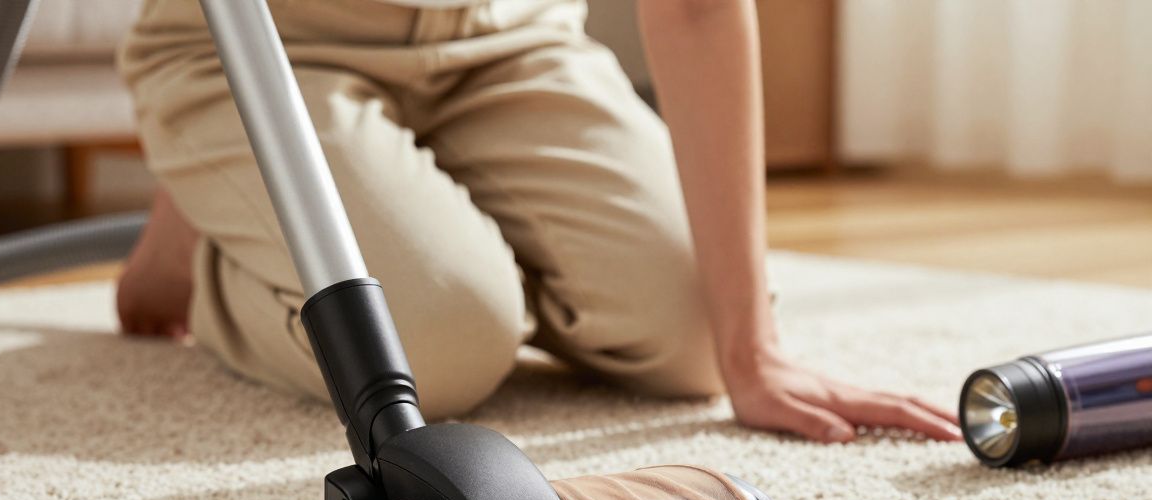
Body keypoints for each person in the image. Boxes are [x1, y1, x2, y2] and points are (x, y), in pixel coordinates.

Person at [115, 0, 962, 444]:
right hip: (274, 40)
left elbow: (698, 7)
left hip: (509, 36)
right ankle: (205, 252)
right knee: (436, 346)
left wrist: (754, 351)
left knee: (701, 333)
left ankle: (396, 211)